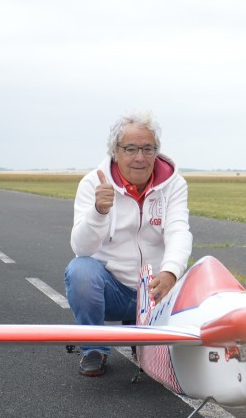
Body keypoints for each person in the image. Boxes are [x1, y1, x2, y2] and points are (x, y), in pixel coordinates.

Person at [65, 110, 193, 376]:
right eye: (131, 148)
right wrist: (99, 212)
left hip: (156, 289)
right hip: (112, 288)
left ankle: (142, 333)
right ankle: (94, 349)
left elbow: (179, 231)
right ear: (115, 151)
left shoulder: (174, 184)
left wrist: (170, 272)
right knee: (80, 271)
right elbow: (82, 249)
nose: (140, 157)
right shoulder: (93, 184)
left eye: (148, 149)